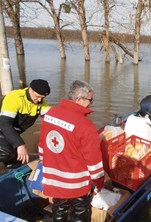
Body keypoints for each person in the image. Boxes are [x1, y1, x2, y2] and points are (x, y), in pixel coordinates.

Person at [38, 80, 105, 221]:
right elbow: (93, 160)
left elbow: (42, 144)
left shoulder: (50, 114)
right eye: (90, 100)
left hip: (54, 180)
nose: (90, 104)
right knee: (80, 213)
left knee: (59, 209)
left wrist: (44, 161)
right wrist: (99, 182)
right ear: (79, 99)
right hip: (76, 183)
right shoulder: (85, 125)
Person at [0, 79, 51, 168]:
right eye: (38, 96)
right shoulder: (14, 97)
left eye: (42, 98)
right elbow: (5, 124)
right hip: (3, 127)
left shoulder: (41, 102)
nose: (39, 100)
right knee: (7, 152)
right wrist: (19, 144)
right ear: (30, 90)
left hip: (11, 132)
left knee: (19, 157)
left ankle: (12, 174)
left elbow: (52, 119)